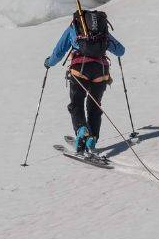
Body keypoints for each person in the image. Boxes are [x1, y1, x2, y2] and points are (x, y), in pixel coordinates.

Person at [44, 8, 125, 154]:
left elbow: (59, 51)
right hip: (101, 71)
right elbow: (120, 51)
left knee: (76, 103)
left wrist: (49, 63)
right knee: (94, 105)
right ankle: (92, 139)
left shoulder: (74, 27)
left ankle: (82, 131)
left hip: (79, 70)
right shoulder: (101, 31)